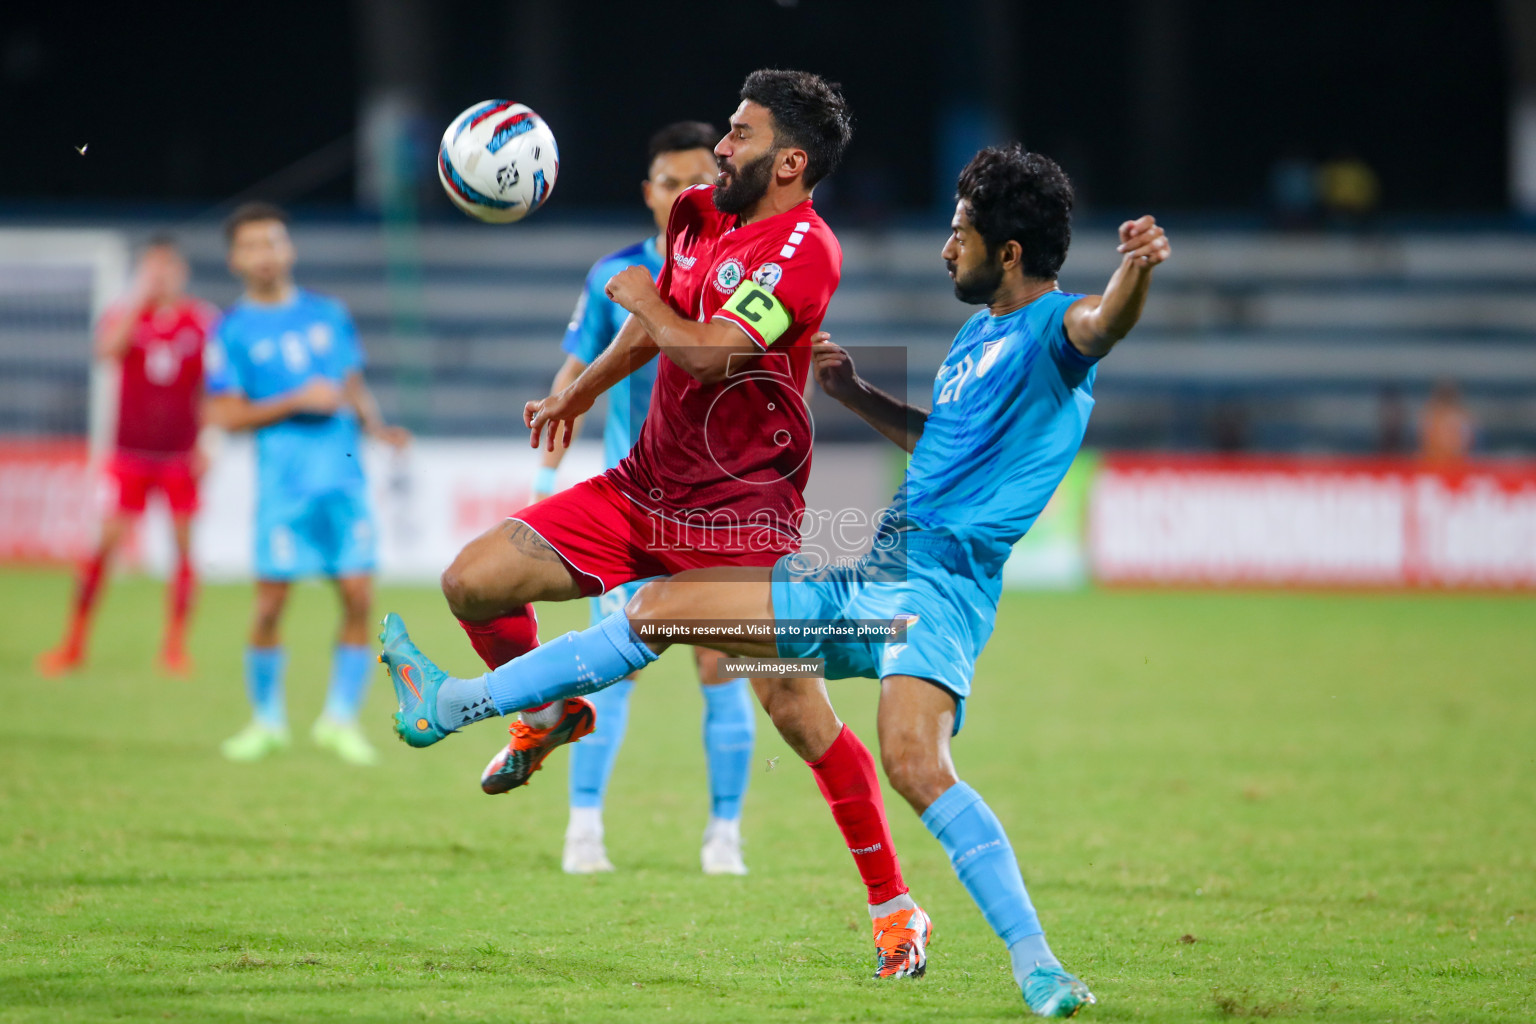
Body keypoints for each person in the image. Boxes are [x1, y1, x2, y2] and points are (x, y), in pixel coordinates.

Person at [379, 145, 1170, 1016]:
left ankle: (1038, 968)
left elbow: (1105, 327)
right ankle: (461, 704)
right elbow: (945, 445)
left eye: (959, 233)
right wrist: (859, 393)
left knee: (915, 763)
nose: (947, 249)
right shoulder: (977, 336)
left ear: (1008, 252)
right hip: (870, 577)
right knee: (660, 613)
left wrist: (1133, 272)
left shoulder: (1055, 331)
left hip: (939, 597)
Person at [431, 70, 930, 978]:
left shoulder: (806, 252)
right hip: (640, 489)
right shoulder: (698, 211)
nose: (720, 148)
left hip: (744, 517)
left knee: (794, 708)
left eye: (738, 134)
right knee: (471, 579)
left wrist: (635, 294)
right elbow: (658, 325)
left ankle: (895, 907)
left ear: (790, 160)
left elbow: (702, 353)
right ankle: (549, 711)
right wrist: (576, 390)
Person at [531, 121, 757, 876]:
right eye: (671, 182)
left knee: (720, 664)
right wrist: (557, 416)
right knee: (611, 665)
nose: (685, 194)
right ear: (648, 192)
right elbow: (576, 369)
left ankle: (725, 833)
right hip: (634, 504)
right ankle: (584, 827)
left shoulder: (744, 269)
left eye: (702, 180)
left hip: (719, 505)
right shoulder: (612, 276)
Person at [203, 202, 410, 765]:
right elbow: (224, 415)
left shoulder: (329, 313)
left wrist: (376, 425)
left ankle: (339, 720)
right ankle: (266, 721)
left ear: (288, 248)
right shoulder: (231, 332)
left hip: (343, 481)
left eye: (272, 242)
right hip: (284, 489)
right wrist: (295, 400)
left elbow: (351, 384)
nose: (264, 254)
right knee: (270, 604)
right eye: (251, 246)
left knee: (358, 597)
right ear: (234, 260)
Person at [38, 236, 217, 678]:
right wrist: (139, 298)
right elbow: (105, 352)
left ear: (182, 271)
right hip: (129, 454)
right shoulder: (126, 316)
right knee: (104, 546)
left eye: (167, 268)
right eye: (151, 269)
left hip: (179, 456)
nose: (160, 277)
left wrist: (210, 443)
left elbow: (213, 388)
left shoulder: (203, 321)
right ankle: (74, 643)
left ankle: (175, 648)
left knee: (184, 549)